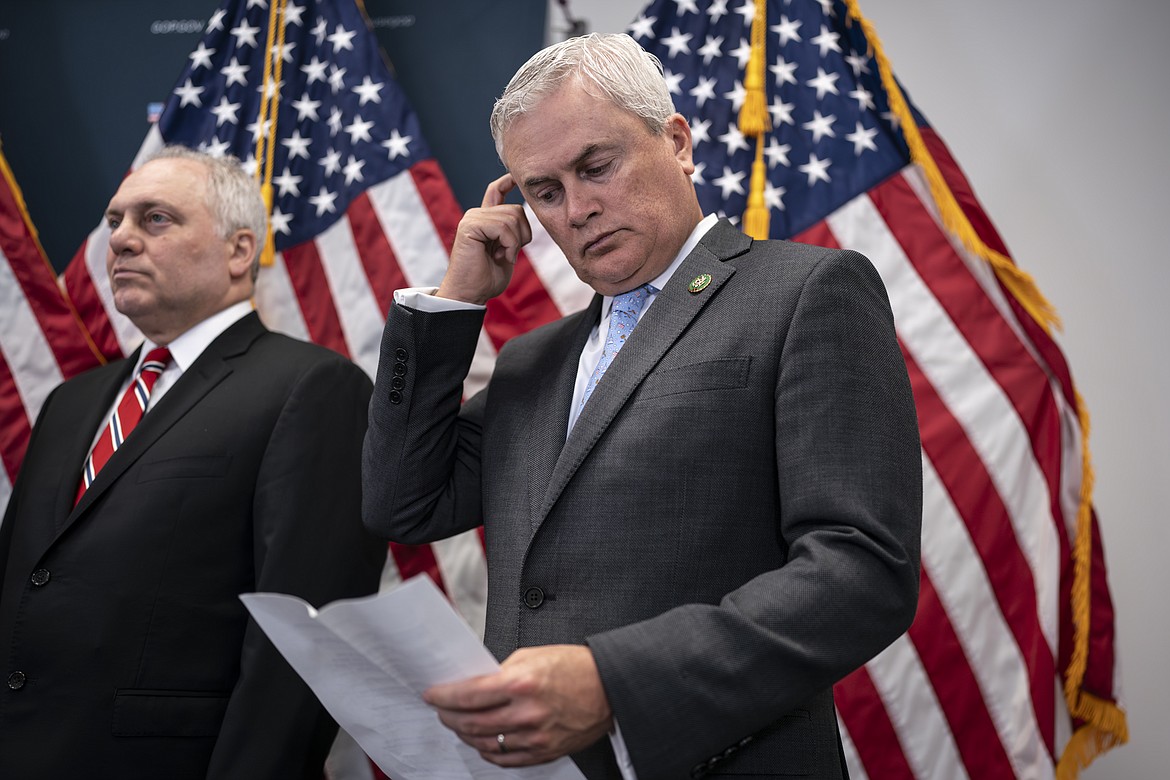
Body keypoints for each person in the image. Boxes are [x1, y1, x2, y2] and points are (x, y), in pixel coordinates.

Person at [362, 33, 921, 780]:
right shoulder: (534, 361)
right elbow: (402, 502)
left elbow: (862, 574)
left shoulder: (806, 294)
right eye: (545, 192)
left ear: (678, 142)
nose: (580, 209)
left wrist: (613, 684)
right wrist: (453, 306)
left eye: (597, 166)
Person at [0, 146, 386, 778]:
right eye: (115, 220)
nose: (120, 239)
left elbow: (301, 645)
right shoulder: (71, 404)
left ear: (239, 251)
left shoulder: (312, 388)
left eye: (155, 219)